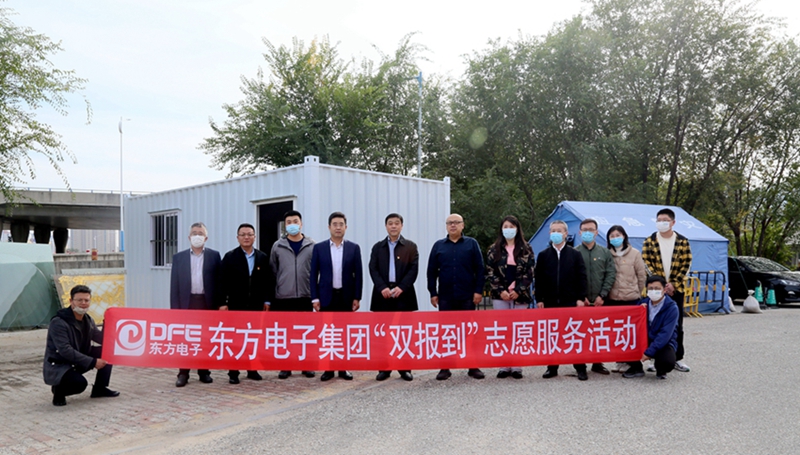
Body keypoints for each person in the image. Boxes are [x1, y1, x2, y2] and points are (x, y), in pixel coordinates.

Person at [427, 213, 486, 380]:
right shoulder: (438, 246)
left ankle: (473, 366)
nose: (453, 225)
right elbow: (431, 271)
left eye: (456, 222)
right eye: (449, 223)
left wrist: (478, 291)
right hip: (445, 297)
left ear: (462, 225)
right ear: (446, 226)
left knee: (469, 332)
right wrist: (433, 292)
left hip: (467, 296)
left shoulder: (471, 244)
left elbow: (480, 269)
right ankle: (445, 367)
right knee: (446, 332)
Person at [43, 285, 119, 406]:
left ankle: (100, 388)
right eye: (79, 300)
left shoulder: (88, 320)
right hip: (60, 364)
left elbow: (102, 339)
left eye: (86, 300)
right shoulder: (58, 322)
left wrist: (108, 322)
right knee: (79, 384)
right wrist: (93, 362)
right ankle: (58, 391)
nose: (83, 303)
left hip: (78, 357)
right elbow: (65, 350)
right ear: (71, 301)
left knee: (107, 351)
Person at [310, 211, 363, 382]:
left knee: (344, 333)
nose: (338, 227)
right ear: (329, 227)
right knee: (328, 333)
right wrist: (315, 298)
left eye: (341, 224)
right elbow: (313, 275)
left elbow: (358, 275)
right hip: (326, 296)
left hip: (346, 297)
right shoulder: (319, 248)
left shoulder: (353, 248)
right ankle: (328, 369)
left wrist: (357, 297)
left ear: (346, 227)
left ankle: (343, 367)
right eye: (335, 224)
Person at [534, 220, 589, 381]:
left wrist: (580, 297)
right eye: (553, 231)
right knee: (552, 335)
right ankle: (552, 367)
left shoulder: (575, 254)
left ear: (566, 234)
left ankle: (580, 367)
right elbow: (539, 279)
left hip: (570, 300)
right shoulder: (543, 255)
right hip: (550, 301)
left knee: (574, 334)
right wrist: (539, 299)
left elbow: (581, 277)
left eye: (559, 231)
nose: (556, 233)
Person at [220, 223, 274, 384]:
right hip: (236, 305)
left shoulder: (262, 257)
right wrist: (223, 302)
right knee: (235, 338)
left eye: (249, 234)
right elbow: (222, 282)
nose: (246, 237)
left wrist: (267, 300)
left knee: (253, 337)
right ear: (237, 238)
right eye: (243, 234)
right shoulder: (230, 257)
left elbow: (268, 282)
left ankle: (252, 368)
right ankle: (233, 372)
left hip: (256, 305)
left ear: (254, 237)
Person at [170, 222, 221, 387]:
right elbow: (174, 286)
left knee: (205, 338)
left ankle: (204, 371)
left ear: (206, 238)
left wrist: (220, 304)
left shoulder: (214, 256)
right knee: (185, 339)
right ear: (189, 237)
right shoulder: (179, 258)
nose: (197, 236)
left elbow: (219, 282)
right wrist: (175, 310)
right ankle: (183, 373)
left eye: (200, 233)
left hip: (206, 303)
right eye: (194, 233)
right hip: (187, 303)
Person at [369, 213, 419, 382]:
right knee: (383, 334)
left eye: (397, 223)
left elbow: (413, 269)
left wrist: (402, 287)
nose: (393, 226)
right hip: (382, 295)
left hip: (403, 295)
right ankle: (384, 368)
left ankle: (405, 368)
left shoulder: (410, 246)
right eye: (390, 223)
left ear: (401, 226)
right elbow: (373, 269)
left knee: (404, 333)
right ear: (386, 226)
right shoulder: (378, 247)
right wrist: (382, 287)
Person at [641, 208, 692, 373]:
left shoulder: (682, 241)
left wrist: (673, 284)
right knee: (651, 323)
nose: (661, 223)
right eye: (659, 220)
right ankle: (652, 358)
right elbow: (646, 263)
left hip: (676, 289)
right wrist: (661, 285)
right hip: (656, 289)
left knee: (677, 325)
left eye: (665, 220)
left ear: (673, 222)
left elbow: (686, 264)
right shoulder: (650, 241)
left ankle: (678, 357)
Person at [485, 215, 535, 379]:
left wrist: (519, 290)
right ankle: (504, 365)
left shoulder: (526, 248)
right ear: (501, 229)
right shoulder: (494, 249)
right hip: (500, 295)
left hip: (520, 295)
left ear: (517, 229)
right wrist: (501, 290)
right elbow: (490, 271)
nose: (508, 230)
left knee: (519, 330)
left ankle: (517, 366)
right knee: (503, 328)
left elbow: (530, 272)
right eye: (505, 226)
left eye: (512, 226)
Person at [270, 210, 316, 380]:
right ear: (285, 225)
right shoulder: (278, 246)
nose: (292, 225)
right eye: (289, 222)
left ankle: (306, 365)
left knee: (305, 332)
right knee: (286, 333)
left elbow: (316, 271)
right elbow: (273, 271)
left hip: (305, 295)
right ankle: (286, 366)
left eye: (295, 221)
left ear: (301, 224)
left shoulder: (311, 245)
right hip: (284, 296)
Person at [575, 218, 616, 376]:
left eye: (591, 230)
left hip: (600, 300)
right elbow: (571, 276)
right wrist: (581, 296)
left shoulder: (604, 252)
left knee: (599, 332)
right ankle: (580, 366)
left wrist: (602, 295)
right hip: (581, 302)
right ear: (580, 232)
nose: (588, 232)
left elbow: (610, 274)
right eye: (585, 230)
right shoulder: (575, 252)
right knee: (580, 332)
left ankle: (597, 363)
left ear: (597, 232)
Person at [605, 225, 647, 373]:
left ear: (624, 236)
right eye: (612, 236)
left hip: (630, 299)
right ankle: (620, 361)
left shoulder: (634, 253)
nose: (615, 238)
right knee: (616, 332)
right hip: (612, 299)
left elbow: (641, 276)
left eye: (618, 235)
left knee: (630, 333)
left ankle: (634, 364)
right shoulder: (607, 254)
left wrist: (637, 291)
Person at [623, 276, 679, 380]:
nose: (654, 291)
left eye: (657, 288)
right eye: (651, 289)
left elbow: (665, 334)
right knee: (622, 343)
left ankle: (661, 368)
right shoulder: (642, 304)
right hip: (645, 338)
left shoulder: (671, 308)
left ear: (664, 290)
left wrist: (649, 352)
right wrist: (638, 311)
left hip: (664, 342)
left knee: (667, 362)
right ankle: (636, 367)